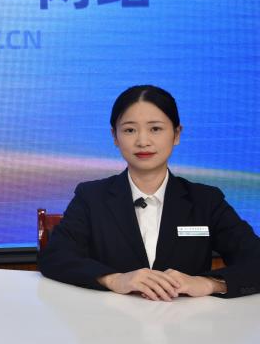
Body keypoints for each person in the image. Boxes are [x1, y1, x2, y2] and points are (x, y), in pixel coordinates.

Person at [38, 85, 260, 300]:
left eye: (155, 129)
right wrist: (114, 279)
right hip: (109, 320)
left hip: (185, 320)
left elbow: (255, 259)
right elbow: (55, 256)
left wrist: (209, 283)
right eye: (129, 130)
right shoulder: (91, 196)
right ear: (115, 136)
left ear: (176, 134)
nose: (142, 141)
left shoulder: (206, 200)